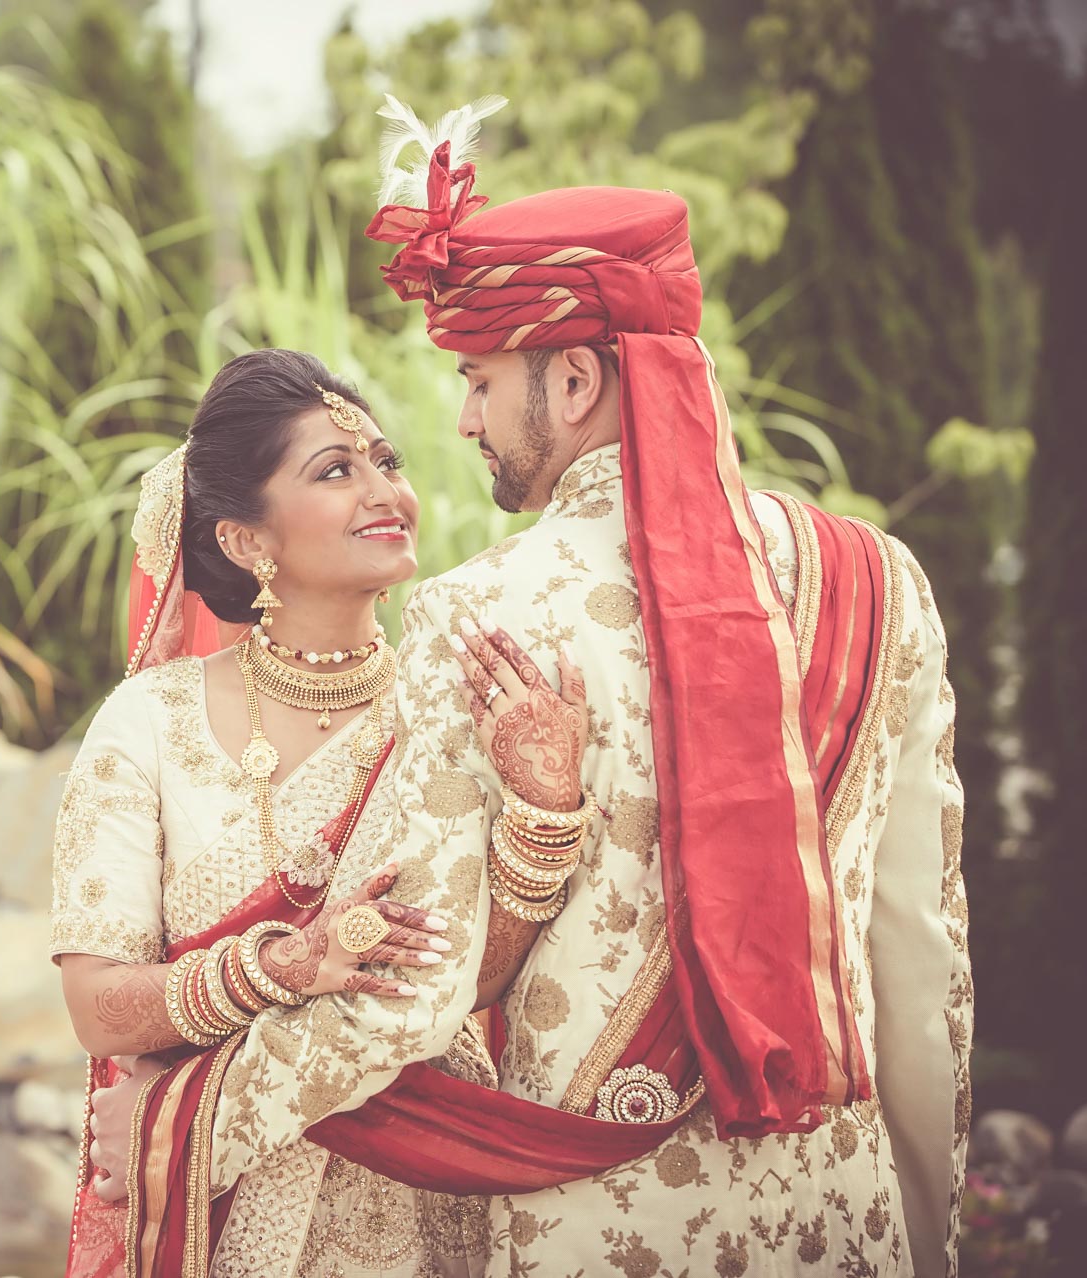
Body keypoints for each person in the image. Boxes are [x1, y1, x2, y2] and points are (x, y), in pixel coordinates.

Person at [90, 98, 971, 1278]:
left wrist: (184, 1121)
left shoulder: (486, 612)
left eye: (478, 380)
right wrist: (927, 1220)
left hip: (600, 1234)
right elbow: (921, 957)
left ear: (570, 383)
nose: (460, 421)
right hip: (844, 1216)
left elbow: (409, 980)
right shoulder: (879, 582)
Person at [49, 347, 592, 1278]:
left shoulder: (454, 699)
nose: (385, 490)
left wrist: (545, 810)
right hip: (215, 1185)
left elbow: (471, 979)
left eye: (388, 463)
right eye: (335, 471)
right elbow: (99, 1009)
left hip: (421, 1168)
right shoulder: (151, 719)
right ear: (244, 540)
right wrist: (291, 963)